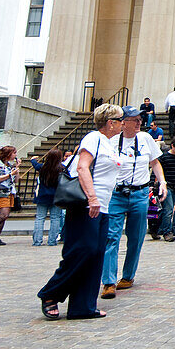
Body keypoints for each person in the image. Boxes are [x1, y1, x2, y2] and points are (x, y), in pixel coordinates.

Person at [38, 103, 124, 320]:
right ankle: (50, 293)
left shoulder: (109, 144)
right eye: (120, 120)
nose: (124, 123)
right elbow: (82, 167)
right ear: (110, 123)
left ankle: (83, 306)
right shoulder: (93, 138)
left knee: (96, 254)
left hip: (103, 206)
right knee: (82, 250)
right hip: (87, 204)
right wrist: (92, 197)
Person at [101, 106, 169, 299]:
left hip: (139, 193)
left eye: (140, 119)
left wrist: (162, 182)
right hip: (116, 194)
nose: (139, 122)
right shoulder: (112, 141)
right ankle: (108, 281)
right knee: (111, 237)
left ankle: (128, 276)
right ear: (123, 122)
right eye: (135, 119)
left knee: (136, 237)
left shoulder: (146, 139)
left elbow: (155, 162)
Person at [31, 148, 65, 246]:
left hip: (43, 195)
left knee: (40, 218)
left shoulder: (42, 167)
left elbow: (35, 164)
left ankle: (37, 241)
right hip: (56, 196)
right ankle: (52, 240)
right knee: (55, 218)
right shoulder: (61, 169)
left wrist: (33, 159)